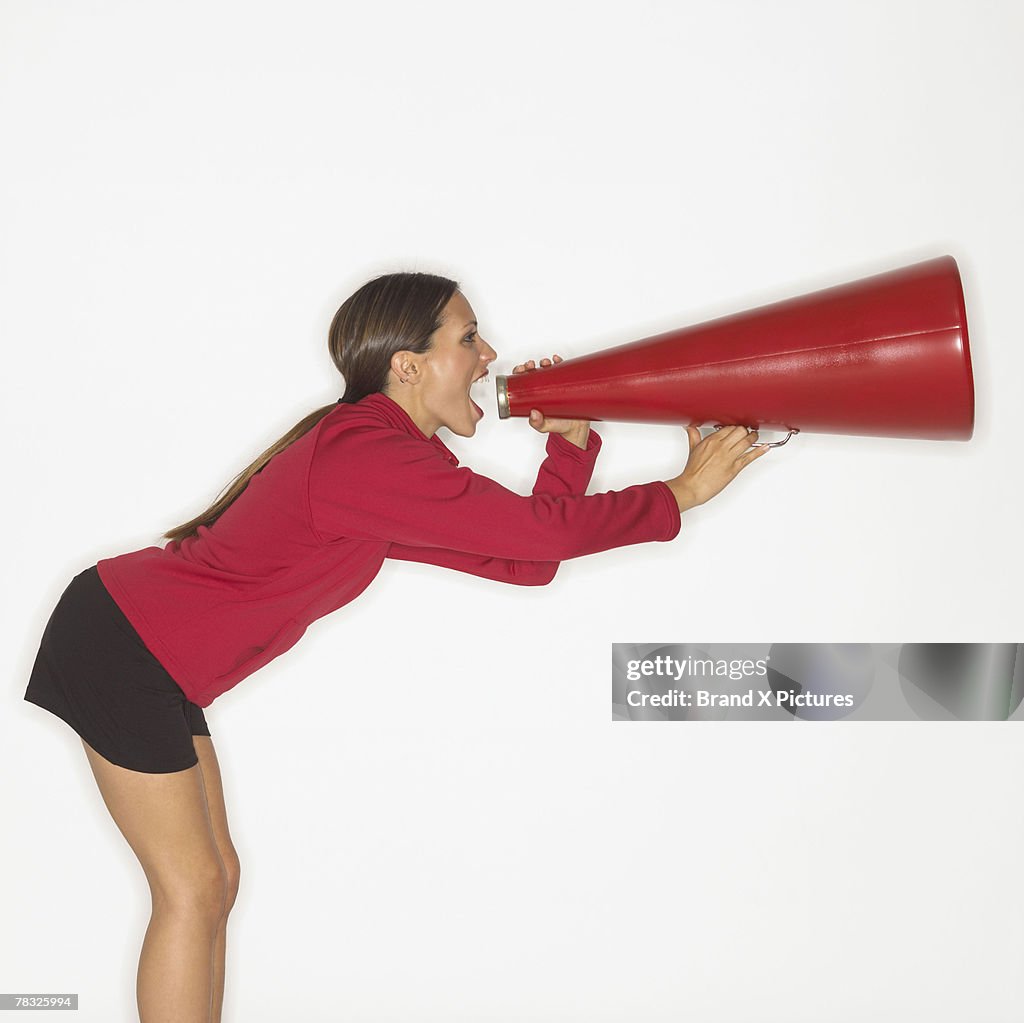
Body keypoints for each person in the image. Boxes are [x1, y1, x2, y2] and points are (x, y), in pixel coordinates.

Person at [23, 270, 768, 1023]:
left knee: (213, 883)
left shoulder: (389, 460)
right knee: (191, 888)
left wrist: (571, 445)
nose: (490, 355)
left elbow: (527, 560)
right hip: (121, 642)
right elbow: (540, 537)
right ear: (406, 365)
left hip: (147, 650)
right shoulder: (361, 456)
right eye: (469, 337)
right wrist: (681, 493)